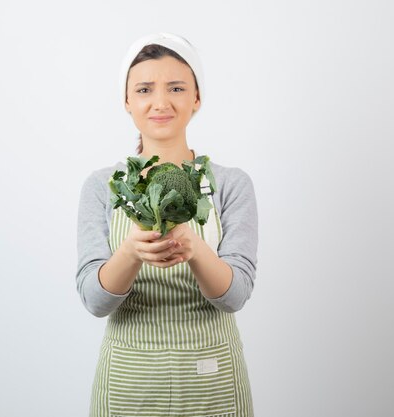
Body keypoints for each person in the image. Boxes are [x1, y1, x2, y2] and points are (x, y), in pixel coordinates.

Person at [76, 32, 259, 417]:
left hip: (212, 381)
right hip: (131, 382)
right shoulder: (103, 187)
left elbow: (235, 295)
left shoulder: (230, 184)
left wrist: (194, 249)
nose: (160, 102)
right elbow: (95, 301)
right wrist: (130, 252)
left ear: (196, 98)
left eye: (176, 87)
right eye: (144, 89)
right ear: (127, 101)